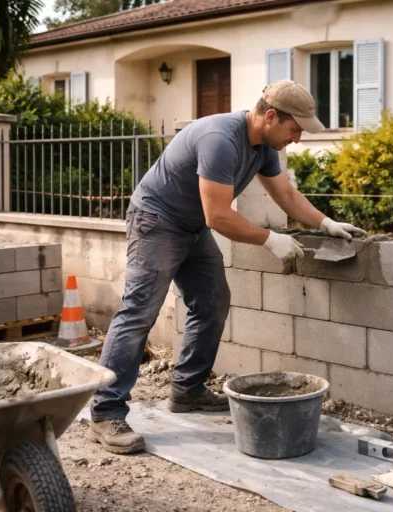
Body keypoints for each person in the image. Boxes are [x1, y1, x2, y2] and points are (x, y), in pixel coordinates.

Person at [88, 80, 366, 454]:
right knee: (139, 312)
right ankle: (106, 411)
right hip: (156, 221)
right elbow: (218, 216)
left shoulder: (264, 146)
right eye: (295, 129)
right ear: (271, 116)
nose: (297, 139)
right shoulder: (221, 139)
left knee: (212, 301)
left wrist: (326, 223)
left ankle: (187, 390)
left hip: (191, 226)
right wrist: (270, 240)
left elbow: (285, 194)